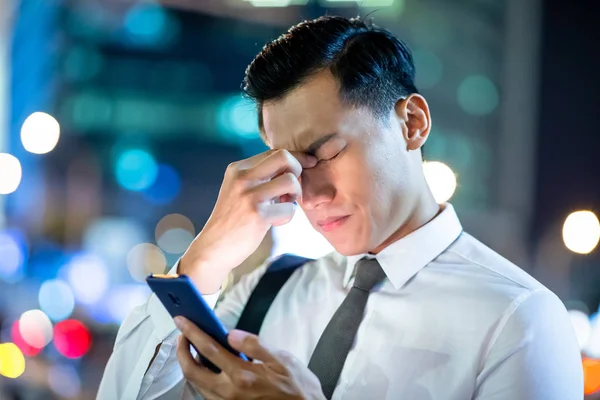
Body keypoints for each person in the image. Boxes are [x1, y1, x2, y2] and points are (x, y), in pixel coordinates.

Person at [98, 16, 583, 400]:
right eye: (289, 168)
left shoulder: (519, 318)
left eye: (326, 153)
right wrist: (204, 260)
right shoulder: (269, 290)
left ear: (412, 123)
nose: (310, 194)